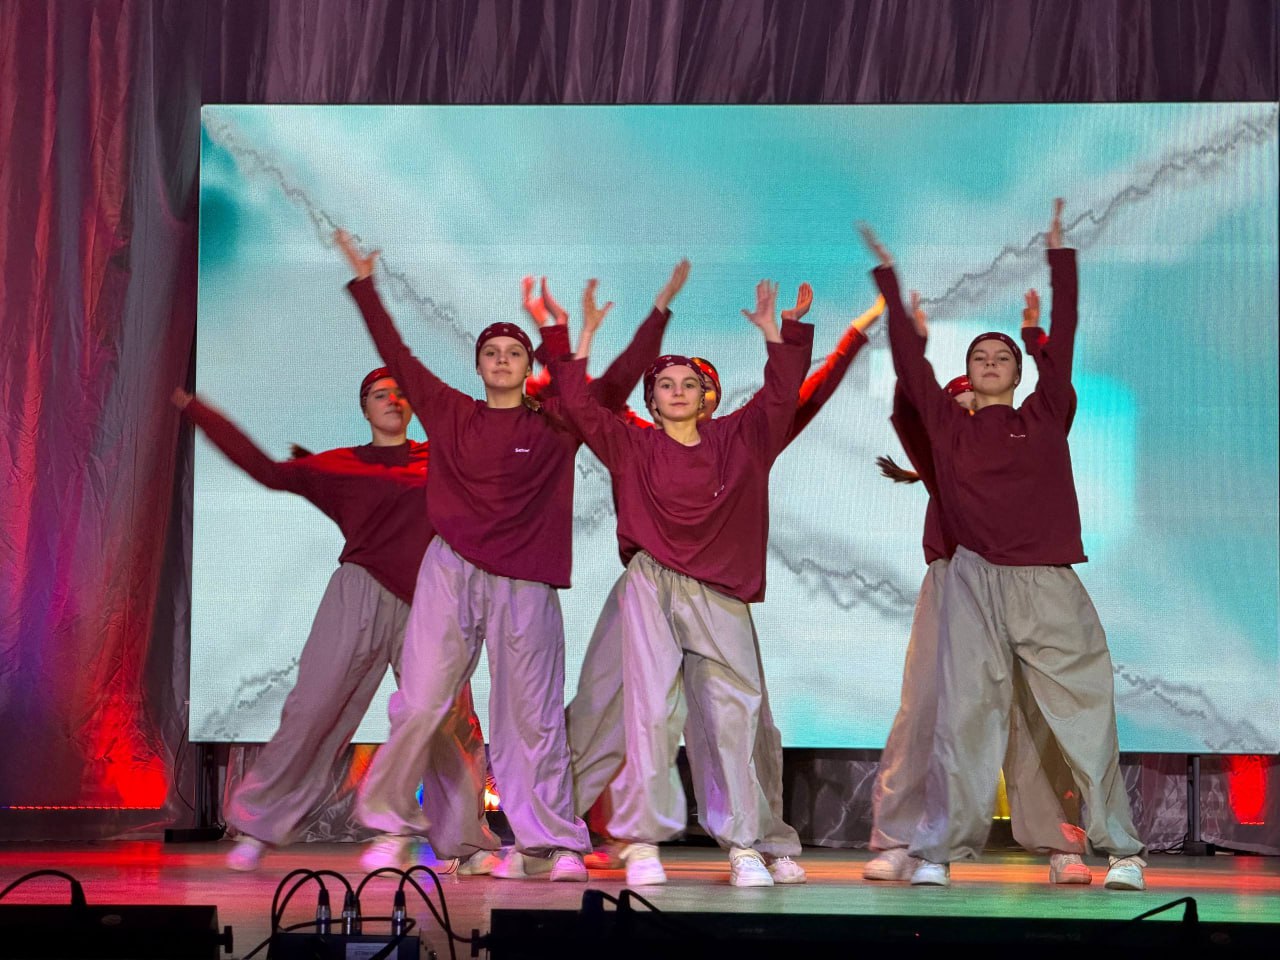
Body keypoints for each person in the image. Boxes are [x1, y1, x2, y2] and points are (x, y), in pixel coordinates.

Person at [335, 231, 670, 881]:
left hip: (525, 581)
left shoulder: (555, 423)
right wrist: (365, 284)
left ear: (527, 363)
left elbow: (615, 385)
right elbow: (397, 354)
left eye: (514, 352)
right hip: (451, 570)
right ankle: (391, 825)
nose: (502, 360)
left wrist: (653, 315)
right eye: (491, 352)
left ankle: (552, 843)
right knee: (422, 701)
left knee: (532, 719)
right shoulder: (450, 411)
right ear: (479, 364)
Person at [859, 199, 1147, 890]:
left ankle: (1122, 850)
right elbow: (910, 371)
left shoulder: (1045, 415)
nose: (990, 363)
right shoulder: (948, 429)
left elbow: (1066, 336)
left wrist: (1060, 262)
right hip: (974, 582)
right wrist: (891, 283)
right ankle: (936, 850)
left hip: (1047, 580)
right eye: (979, 357)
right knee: (962, 719)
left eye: (1002, 357)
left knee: (1084, 716)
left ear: (1019, 373)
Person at [564, 285, 886, 884]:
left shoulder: (741, 439)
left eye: (690, 383)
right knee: (647, 713)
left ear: (708, 396)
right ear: (650, 400)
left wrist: (780, 332)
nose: (678, 391)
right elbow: (580, 406)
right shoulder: (632, 443)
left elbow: (786, 394)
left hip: (718, 593)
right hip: (650, 584)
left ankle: (746, 843)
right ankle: (640, 843)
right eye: (666, 384)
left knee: (737, 719)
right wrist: (579, 337)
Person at [174, 372, 498, 873]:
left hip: (430, 598)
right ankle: (259, 826)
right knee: (313, 706)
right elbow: (265, 470)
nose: (392, 399)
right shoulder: (341, 465)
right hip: (359, 592)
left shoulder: (440, 458)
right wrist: (198, 411)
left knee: (447, 719)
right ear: (364, 409)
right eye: (379, 394)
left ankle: (466, 843)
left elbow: (497, 442)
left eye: (400, 392)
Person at [866, 357, 1091, 886]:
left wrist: (1042, 347)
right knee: (926, 707)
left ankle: (1060, 840)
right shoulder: (946, 453)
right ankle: (902, 840)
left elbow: (1060, 402)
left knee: (1030, 712)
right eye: (960, 408)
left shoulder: (1026, 447)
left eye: (979, 406)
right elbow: (913, 414)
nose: (973, 416)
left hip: (1020, 581)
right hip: (953, 581)